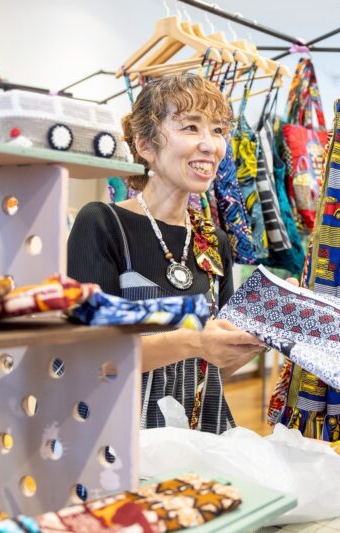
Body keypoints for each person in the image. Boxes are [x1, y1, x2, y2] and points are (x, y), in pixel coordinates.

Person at [68, 75, 264, 434]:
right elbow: (92, 359)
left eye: (218, 130)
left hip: (200, 436)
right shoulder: (103, 223)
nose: (210, 145)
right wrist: (194, 341)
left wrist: (254, 340)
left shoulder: (214, 241)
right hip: (119, 441)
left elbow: (212, 371)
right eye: (191, 127)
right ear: (145, 145)